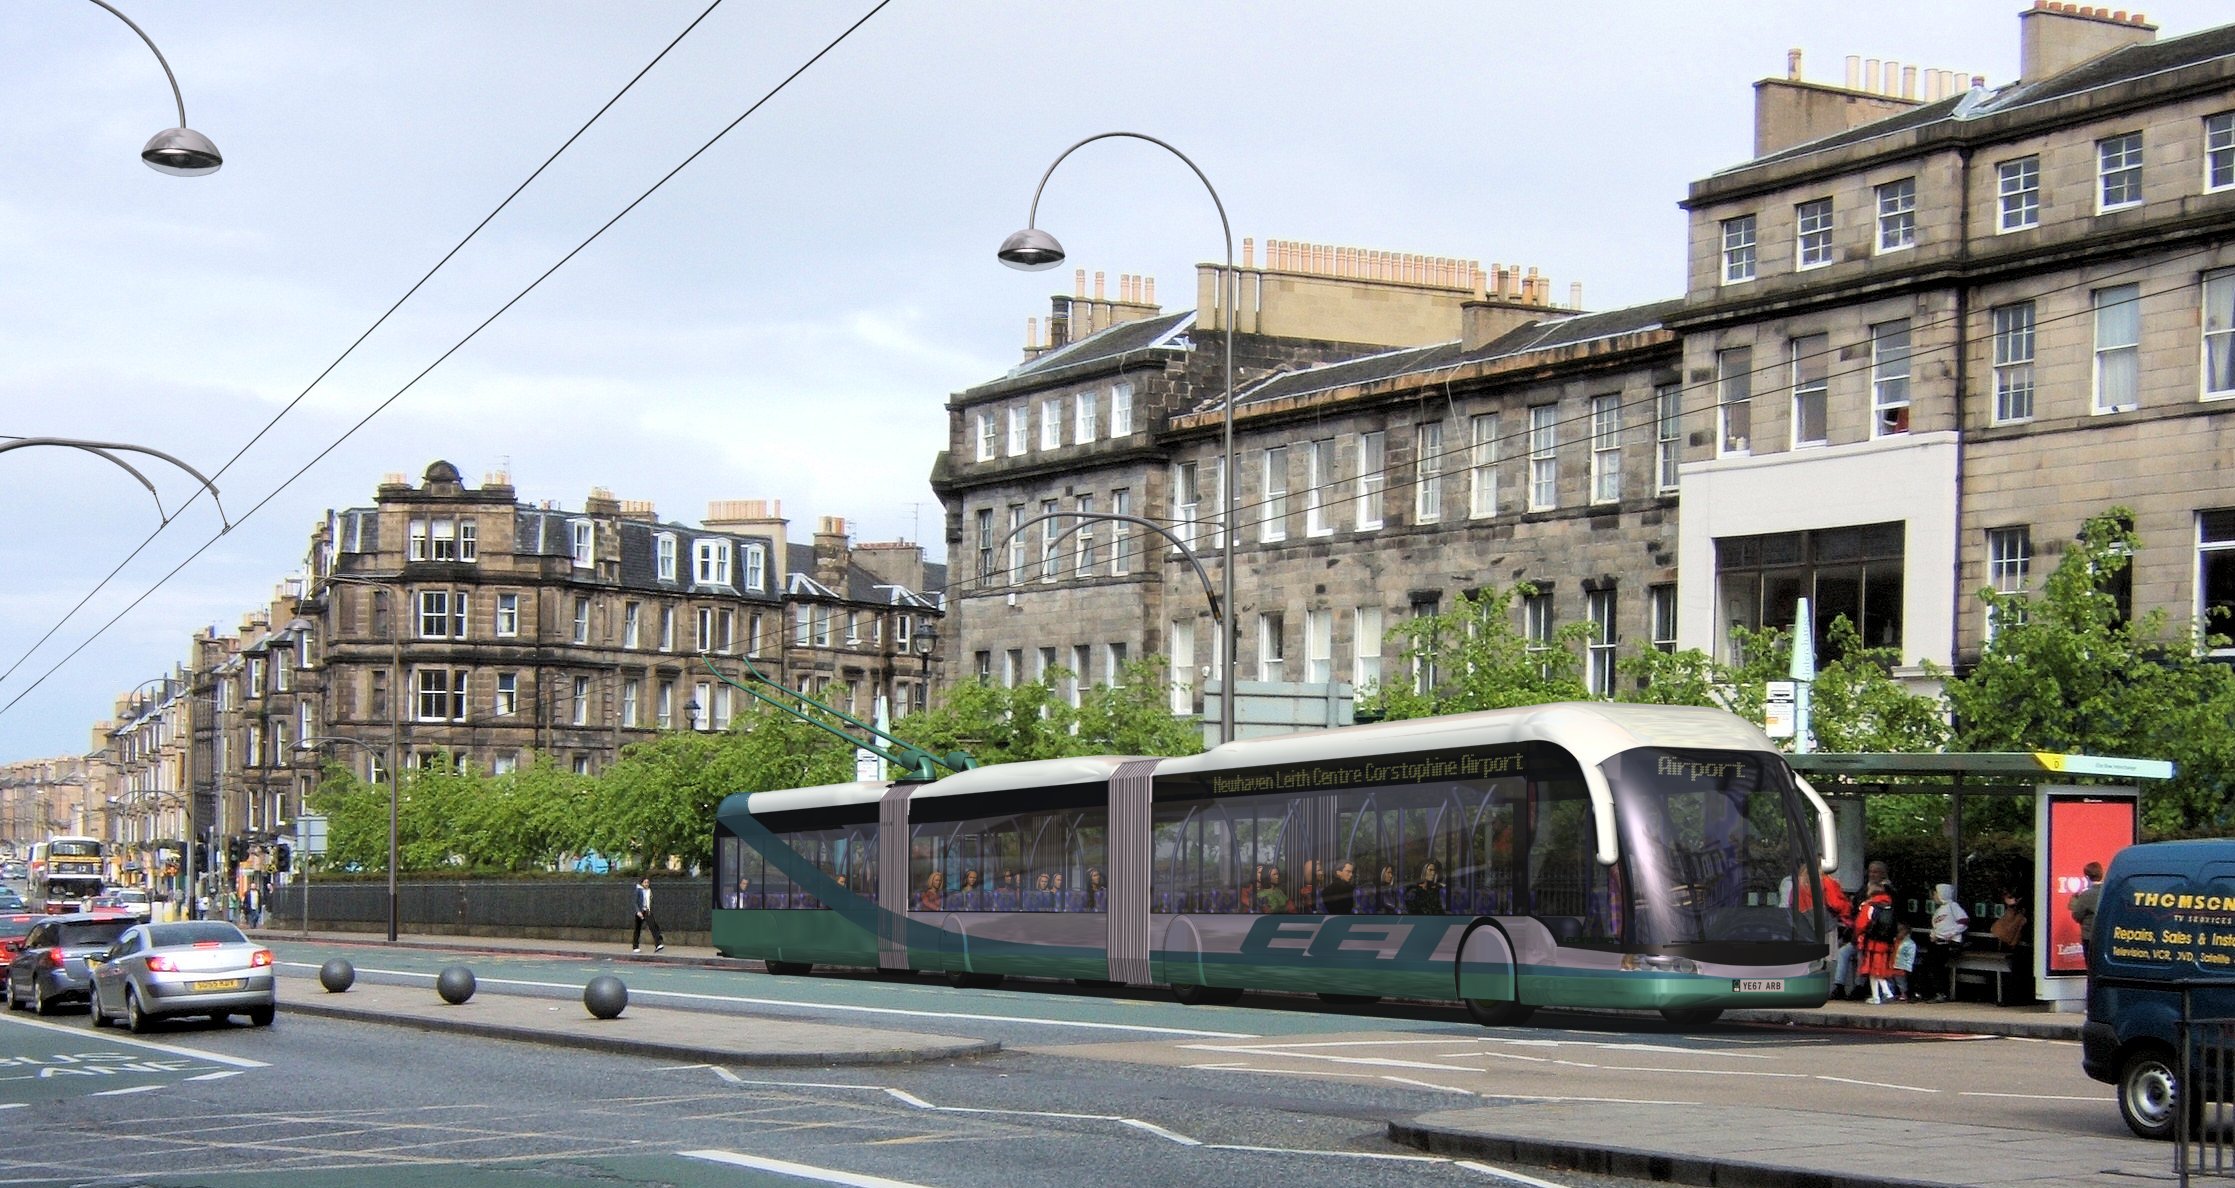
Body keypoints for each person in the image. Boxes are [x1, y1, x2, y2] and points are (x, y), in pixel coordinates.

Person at [1920, 883, 1969, 1002]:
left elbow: (1964, 922)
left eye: (1935, 893)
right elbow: (1937, 926)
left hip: (1948, 944)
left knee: (1937, 967)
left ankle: (1940, 992)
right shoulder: (1939, 910)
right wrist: (1933, 935)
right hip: (1937, 943)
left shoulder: (1953, 906)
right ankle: (1928, 991)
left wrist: (1951, 933)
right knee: (1928, 965)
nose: (1934, 896)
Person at [1855, 881, 1899, 1004]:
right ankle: (1884, 992)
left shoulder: (1870, 906)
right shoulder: (1890, 905)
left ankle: (1878, 996)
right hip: (1887, 943)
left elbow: (1860, 925)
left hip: (1872, 942)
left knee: (1872, 970)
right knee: (1879, 970)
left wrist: (1857, 936)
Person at [2070, 861, 2105, 967]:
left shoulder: (2086, 895)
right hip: (2106, 935)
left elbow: (2077, 915)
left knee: (2091, 967)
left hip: (2089, 936)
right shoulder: (2108, 891)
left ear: (2087, 877)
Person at [631, 876, 665, 953]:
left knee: (653, 926)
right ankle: (635, 946)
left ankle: (658, 944)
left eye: (648, 882)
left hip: (647, 911)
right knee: (637, 929)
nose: (646, 884)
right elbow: (635, 902)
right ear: (642, 883)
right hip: (640, 911)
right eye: (645, 882)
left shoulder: (649, 890)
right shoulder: (638, 890)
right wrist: (638, 911)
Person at [1891, 924, 1918, 1002]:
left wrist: (1907, 967)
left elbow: (1910, 957)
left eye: (1899, 932)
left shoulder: (1910, 943)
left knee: (1901, 981)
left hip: (1901, 965)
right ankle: (1894, 993)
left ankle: (1904, 993)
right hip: (1893, 963)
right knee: (1892, 979)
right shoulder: (1895, 940)